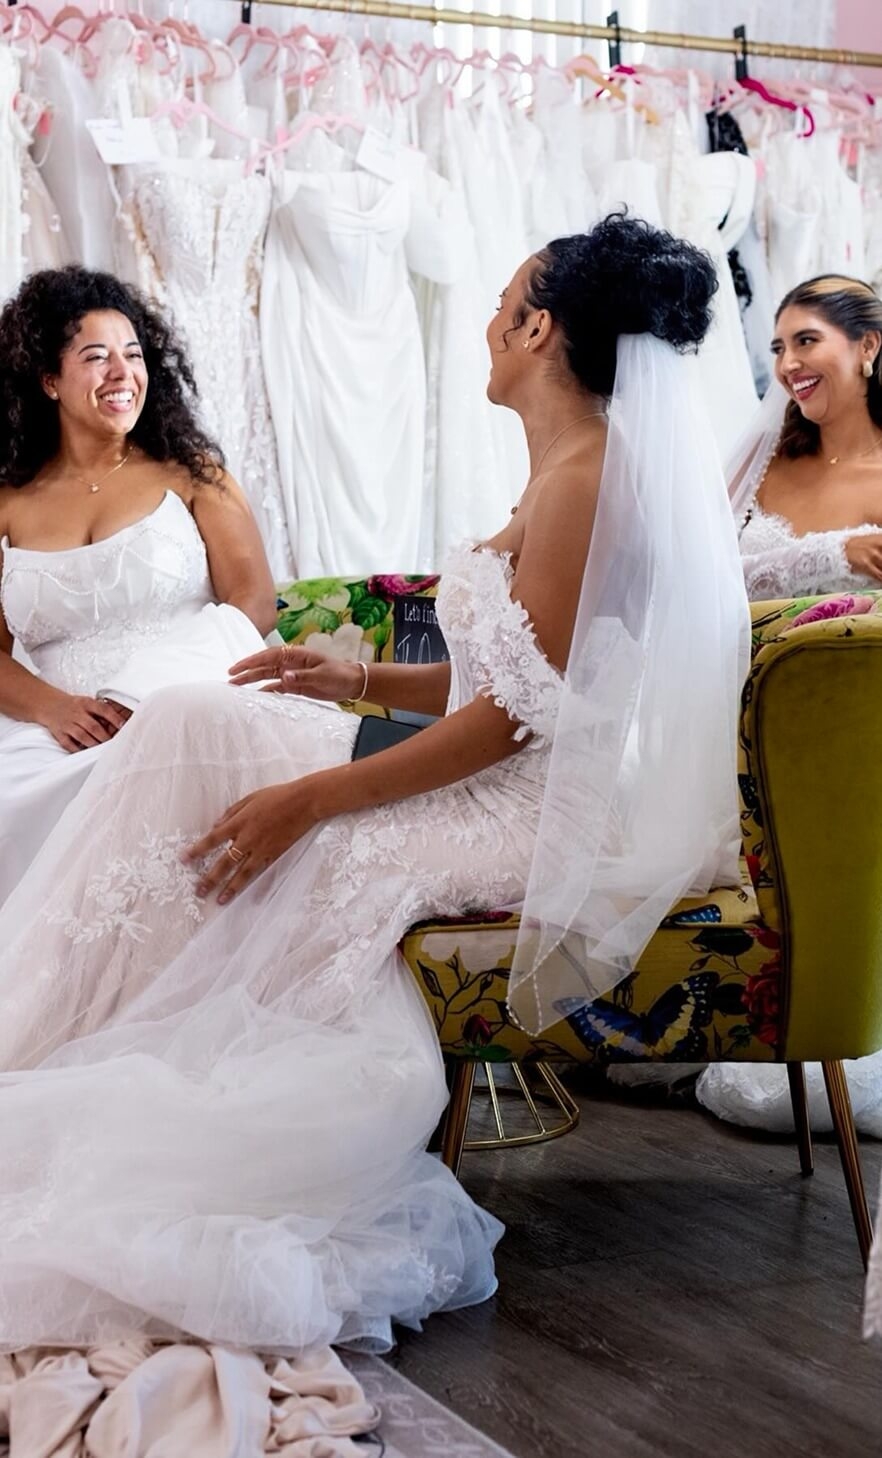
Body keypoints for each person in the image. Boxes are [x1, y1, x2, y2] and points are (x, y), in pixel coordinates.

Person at [0, 217, 748, 1443]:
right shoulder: (561, 470)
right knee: (201, 724)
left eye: (505, 298)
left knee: (299, 834)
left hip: (528, 815)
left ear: (537, 328)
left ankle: (148, 1075)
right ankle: (54, 1025)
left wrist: (318, 795)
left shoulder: (590, 480)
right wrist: (342, 682)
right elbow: (499, 677)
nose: (488, 321)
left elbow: (513, 728)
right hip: (496, 763)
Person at [0, 267, 276, 904]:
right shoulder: (9, 501)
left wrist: (143, 696)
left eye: (133, 354)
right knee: (16, 796)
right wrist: (53, 708)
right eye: (96, 357)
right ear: (48, 380)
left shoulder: (192, 472)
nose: (122, 373)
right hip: (61, 733)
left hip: (192, 701)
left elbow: (254, 602)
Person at [697, 274, 882, 1137]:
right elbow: (693, 576)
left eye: (806, 340)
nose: (788, 364)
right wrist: (830, 553)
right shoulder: (762, 458)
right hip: (723, 706)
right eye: (777, 347)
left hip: (841, 730)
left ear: (869, 347)